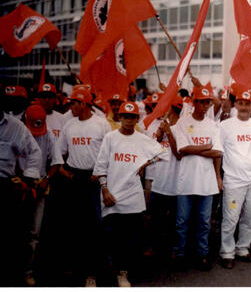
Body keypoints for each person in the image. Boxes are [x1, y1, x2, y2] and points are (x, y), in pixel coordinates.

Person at [93, 101, 169, 287]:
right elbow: (101, 165)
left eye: (132, 117)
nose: (128, 120)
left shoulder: (142, 139)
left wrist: (146, 163)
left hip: (132, 196)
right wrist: (104, 188)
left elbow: (164, 153)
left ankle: (123, 273)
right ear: (119, 118)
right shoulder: (110, 138)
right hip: (111, 195)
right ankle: (103, 273)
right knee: (108, 237)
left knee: (129, 238)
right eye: (125, 117)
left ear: (137, 119)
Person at [58, 87, 111, 287]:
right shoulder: (69, 125)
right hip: (75, 178)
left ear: (85, 104)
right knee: (74, 225)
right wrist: (64, 172)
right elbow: (60, 152)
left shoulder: (101, 124)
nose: (71, 106)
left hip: (95, 179)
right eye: (71, 103)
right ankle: (77, 269)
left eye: (74, 103)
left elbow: (108, 153)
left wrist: (101, 174)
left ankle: (94, 273)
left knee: (95, 226)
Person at [173, 83, 223, 271]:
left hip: (207, 182)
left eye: (207, 103)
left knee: (203, 222)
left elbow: (218, 153)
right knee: (182, 220)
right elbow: (182, 149)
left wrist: (218, 176)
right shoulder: (183, 123)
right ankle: (179, 253)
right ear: (194, 102)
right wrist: (206, 147)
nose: (204, 106)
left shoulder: (213, 125)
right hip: (186, 180)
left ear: (210, 104)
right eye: (201, 102)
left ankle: (202, 254)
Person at [0, 88, 42, 286]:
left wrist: (28, 177)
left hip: (6, 186)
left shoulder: (15, 127)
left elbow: (34, 153)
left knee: (10, 236)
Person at [219, 88, 251, 269]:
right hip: (233, 180)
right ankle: (227, 252)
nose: (244, 107)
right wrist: (218, 177)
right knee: (231, 218)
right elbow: (217, 152)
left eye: (248, 104)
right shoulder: (225, 126)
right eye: (241, 103)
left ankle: (243, 249)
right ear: (236, 104)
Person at [23, 104, 64, 286]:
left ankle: (28, 270)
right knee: (14, 230)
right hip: (17, 184)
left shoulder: (48, 136)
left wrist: (47, 178)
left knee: (34, 233)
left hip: (39, 186)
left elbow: (56, 161)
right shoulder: (16, 132)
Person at [146, 95, 183, 260]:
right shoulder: (157, 126)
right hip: (159, 181)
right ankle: (153, 246)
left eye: (168, 110)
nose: (165, 113)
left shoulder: (182, 128)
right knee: (155, 219)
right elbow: (153, 150)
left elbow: (179, 154)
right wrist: (161, 134)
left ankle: (173, 249)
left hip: (176, 184)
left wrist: (170, 133)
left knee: (175, 220)